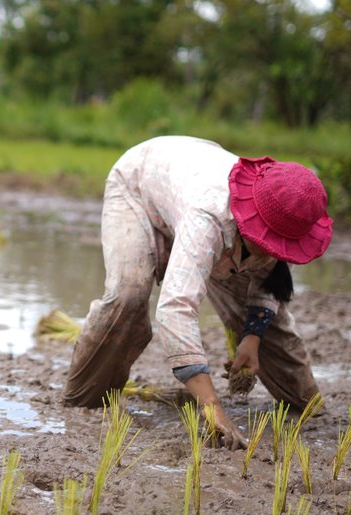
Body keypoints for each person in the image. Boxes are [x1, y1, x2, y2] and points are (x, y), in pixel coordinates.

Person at [63, 135, 334, 449]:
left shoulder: (284, 217)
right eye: (272, 241)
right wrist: (213, 409)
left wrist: (252, 336)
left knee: (274, 334)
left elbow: (269, 278)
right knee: (129, 294)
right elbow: (176, 308)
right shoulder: (211, 218)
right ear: (255, 221)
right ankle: (86, 401)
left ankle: (307, 406)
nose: (279, 251)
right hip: (139, 188)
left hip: (192, 193)